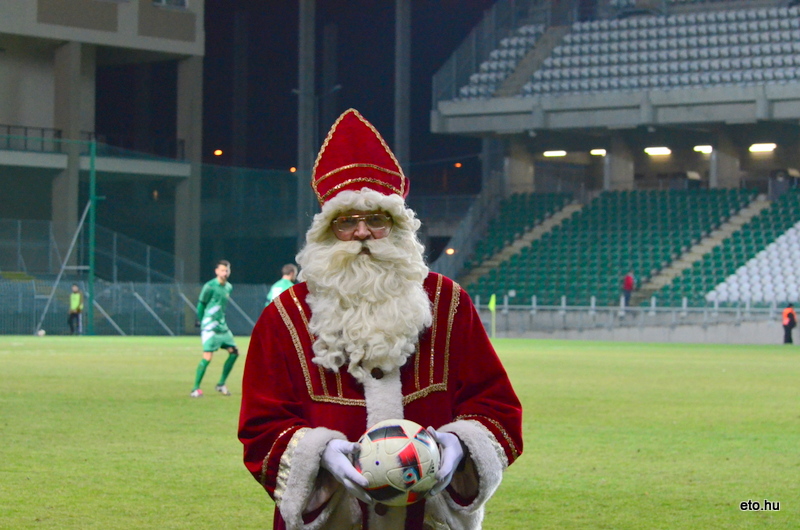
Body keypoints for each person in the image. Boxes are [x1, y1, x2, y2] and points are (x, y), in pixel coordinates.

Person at [239, 109, 523, 529]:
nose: (362, 233)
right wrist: (318, 454)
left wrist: (459, 443)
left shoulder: (448, 303)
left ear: (398, 227)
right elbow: (260, 426)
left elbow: (496, 405)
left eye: (377, 219)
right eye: (346, 222)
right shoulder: (284, 317)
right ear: (325, 231)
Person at [190, 259, 239, 398]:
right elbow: (201, 305)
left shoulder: (228, 287)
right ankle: (195, 388)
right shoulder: (209, 286)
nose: (225, 273)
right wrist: (200, 320)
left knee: (234, 352)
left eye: (227, 270)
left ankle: (221, 383)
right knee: (207, 356)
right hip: (210, 326)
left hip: (222, 326)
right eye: (222, 270)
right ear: (216, 271)